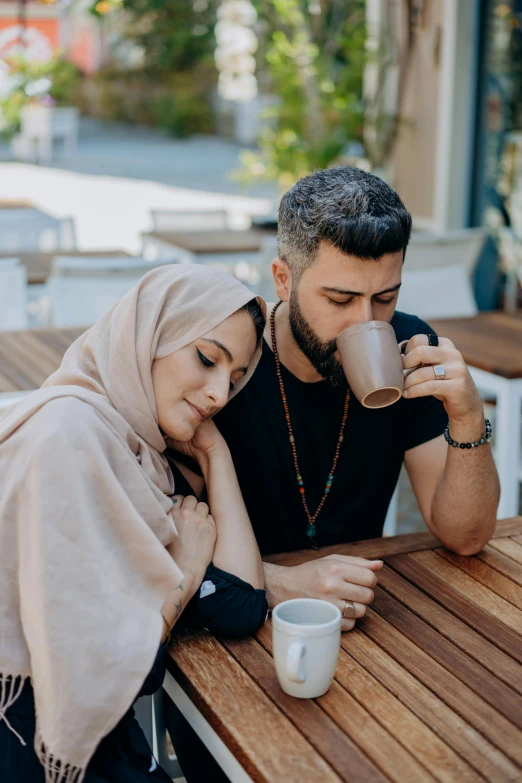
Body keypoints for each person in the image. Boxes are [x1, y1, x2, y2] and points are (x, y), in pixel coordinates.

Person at [166, 166, 500, 782]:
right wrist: (273, 583)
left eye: (386, 297)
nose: (366, 323)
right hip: (221, 633)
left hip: (365, 625)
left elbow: (467, 535)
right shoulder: (224, 365)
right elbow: (154, 538)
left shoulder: (408, 347)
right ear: (283, 278)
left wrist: (467, 414)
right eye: (340, 300)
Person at [0, 264, 268, 783]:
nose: (218, 394)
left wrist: (217, 456)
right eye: (207, 358)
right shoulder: (68, 440)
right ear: (149, 335)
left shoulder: (137, 455)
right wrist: (185, 574)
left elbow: (240, 606)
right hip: (31, 750)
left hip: (90, 741)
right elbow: (120, 673)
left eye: (235, 380)